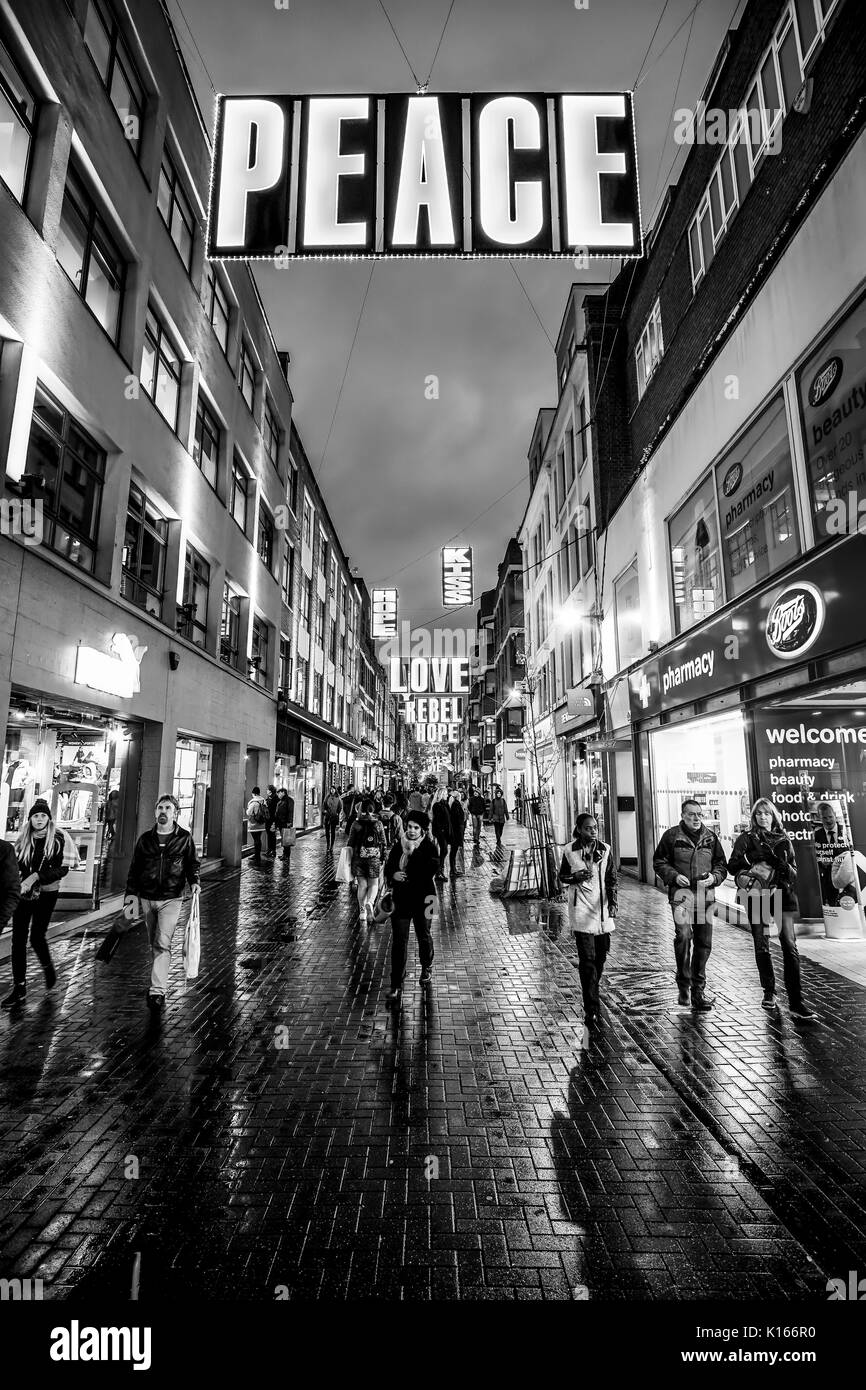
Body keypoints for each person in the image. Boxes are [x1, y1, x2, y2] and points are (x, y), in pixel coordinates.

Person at [729, 800, 816, 1022]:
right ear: (754, 816)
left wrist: (780, 863)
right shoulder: (746, 839)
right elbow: (733, 866)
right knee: (762, 944)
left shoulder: (784, 840)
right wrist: (751, 861)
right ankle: (769, 991)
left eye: (766, 813)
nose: (763, 817)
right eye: (758, 814)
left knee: (790, 946)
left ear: (773, 815)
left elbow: (794, 873)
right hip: (758, 896)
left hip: (783, 894)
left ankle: (796, 1001)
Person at [124, 794, 201, 1011]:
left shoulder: (183, 838)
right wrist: (130, 898)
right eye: (160, 807)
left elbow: (192, 864)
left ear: (175, 812)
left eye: (168, 808)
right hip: (147, 897)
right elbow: (134, 870)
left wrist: (194, 881)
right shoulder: (145, 839)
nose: (163, 811)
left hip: (171, 898)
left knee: (162, 942)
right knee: (154, 942)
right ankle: (158, 978)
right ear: (155, 811)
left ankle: (157, 990)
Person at [653, 798, 727, 1012]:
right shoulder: (671, 836)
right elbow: (659, 861)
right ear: (683, 816)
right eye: (691, 814)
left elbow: (721, 865)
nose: (696, 818)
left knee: (704, 943)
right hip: (682, 895)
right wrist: (674, 876)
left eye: (699, 814)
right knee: (684, 936)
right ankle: (683, 984)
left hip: (705, 896)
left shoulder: (711, 838)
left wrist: (714, 878)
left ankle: (698, 990)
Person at [1, 800, 69, 1010]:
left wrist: (37, 876)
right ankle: (19, 988)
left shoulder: (57, 839)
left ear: (48, 819)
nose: (39, 819)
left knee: (37, 936)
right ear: (30, 819)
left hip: (47, 893)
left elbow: (62, 869)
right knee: (18, 939)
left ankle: (48, 967)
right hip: (24, 894)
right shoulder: (22, 841)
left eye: (42, 816)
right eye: (35, 816)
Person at [559, 813, 617, 1027]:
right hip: (581, 910)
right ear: (579, 830)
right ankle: (591, 1007)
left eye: (595, 827)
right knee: (587, 960)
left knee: (600, 957)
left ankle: (592, 987)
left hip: (602, 910)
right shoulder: (569, 850)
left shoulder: (605, 849)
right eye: (588, 828)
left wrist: (613, 902)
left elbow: (611, 877)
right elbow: (562, 876)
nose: (593, 831)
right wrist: (575, 878)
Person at [383, 809, 439, 1005]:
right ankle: (396, 984)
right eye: (409, 827)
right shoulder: (399, 845)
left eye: (416, 828)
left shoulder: (430, 848)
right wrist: (393, 875)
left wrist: (413, 856)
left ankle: (427, 965)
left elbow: (429, 870)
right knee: (399, 941)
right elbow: (389, 865)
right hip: (402, 899)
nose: (412, 831)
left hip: (426, 898)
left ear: (423, 830)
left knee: (424, 935)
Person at [348, 799, 387, 923]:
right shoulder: (378, 824)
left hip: (358, 857)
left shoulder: (356, 823)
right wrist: (383, 857)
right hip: (374, 858)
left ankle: (362, 912)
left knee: (362, 885)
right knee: (373, 884)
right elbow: (383, 842)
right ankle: (370, 902)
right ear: (372, 809)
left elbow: (350, 842)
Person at [246, 786, 268, 864]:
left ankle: (257, 855)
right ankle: (257, 854)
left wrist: (247, 810)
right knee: (258, 839)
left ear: (253, 793)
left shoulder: (253, 802)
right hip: (261, 823)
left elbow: (249, 813)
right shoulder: (263, 800)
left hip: (254, 823)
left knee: (256, 840)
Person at [274, 788, 296, 864]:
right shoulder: (281, 801)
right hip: (281, 823)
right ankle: (284, 854)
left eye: (279, 793)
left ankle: (287, 856)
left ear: (283, 792)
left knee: (287, 840)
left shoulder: (289, 800)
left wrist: (289, 822)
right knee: (284, 839)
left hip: (285, 823)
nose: (278, 795)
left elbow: (290, 812)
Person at [448, 789, 466, 878]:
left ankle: (453, 869)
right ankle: (453, 869)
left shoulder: (455, 804)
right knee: (453, 850)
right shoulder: (456, 804)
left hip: (456, 830)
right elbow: (457, 819)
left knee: (454, 850)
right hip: (456, 831)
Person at [323, 785, 342, 852]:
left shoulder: (338, 797)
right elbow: (324, 804)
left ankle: (332, 846)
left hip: (334, 816)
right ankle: (328, 844)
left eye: (333, 789)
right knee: (327, 831)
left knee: (333, 831)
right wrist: (325, 811)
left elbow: (340, 806)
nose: (332, 790)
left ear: (335, 790)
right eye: (331, 789)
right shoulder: (327, 797)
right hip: (328, 816)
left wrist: (337, 813)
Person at [264, 783, 279, 858]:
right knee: (269, 835)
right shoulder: (269, 797)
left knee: (272, 835)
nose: (266, 791)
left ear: (270, 791)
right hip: (268, 819)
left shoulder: (275, 798)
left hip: (272, 819)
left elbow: (274, 810)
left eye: (267, 789)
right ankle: (270, 850)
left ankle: (273, 850)